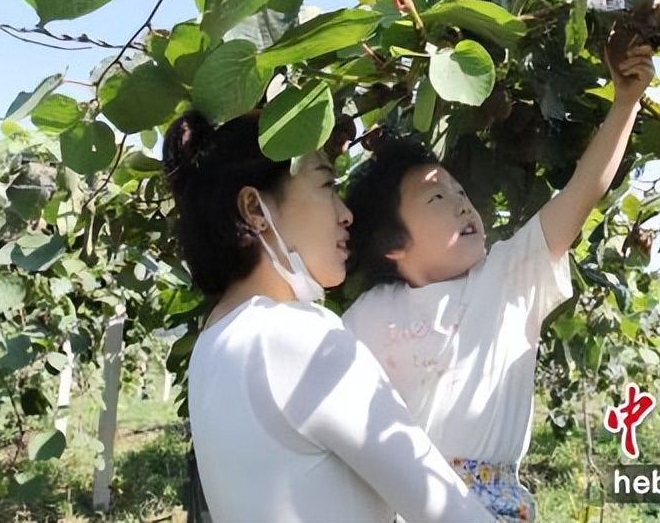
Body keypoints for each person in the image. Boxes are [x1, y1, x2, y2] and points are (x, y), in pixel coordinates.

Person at [342, 39, 656, 521]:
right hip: (396, 503)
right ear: (393, 245)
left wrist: (625, 104)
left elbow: (578, 195)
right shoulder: (367, 314)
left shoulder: (509, 278)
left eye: (459, 190)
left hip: (487, 505)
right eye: (436, 199)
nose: (462, 203)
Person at [162, 109, 496, 523]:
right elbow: (450, 513)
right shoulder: (300, 335)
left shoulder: (213, 343)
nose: (346, 214)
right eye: (327, 185)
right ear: (254, 207)